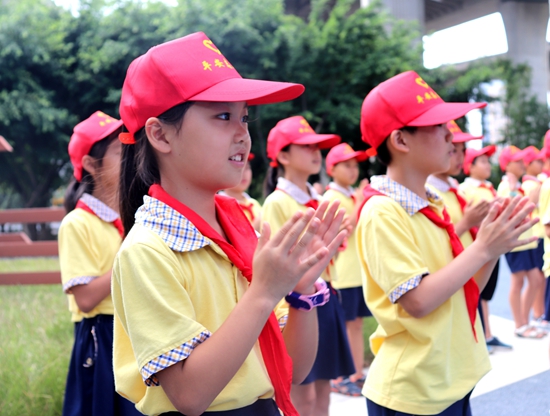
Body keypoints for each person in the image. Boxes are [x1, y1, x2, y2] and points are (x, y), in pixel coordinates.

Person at [111, 32, 347, 416]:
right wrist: (265, 292)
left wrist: (301, 293)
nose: (243, 134)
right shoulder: (146, 251)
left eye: (244, 118)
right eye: (222, 116)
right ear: (160, 134)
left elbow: (294, 370)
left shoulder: (241, 232)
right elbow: (189, 396)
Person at [357, 70, 537, 415]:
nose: (451, 138)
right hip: (414, 390)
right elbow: (419, 301)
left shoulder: (429, 204)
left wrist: (494, 247)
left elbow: (465, 289)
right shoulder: (383, 211)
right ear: (401, 140)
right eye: (438, 127)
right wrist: (482, 247)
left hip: (446, 379)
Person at [262, 116, 355, 416]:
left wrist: (336, 245)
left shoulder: (319, 200)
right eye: (306, 147)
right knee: (302, 399)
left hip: (325, 298)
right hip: (297, 305)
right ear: (283, 156)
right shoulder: (278, 202)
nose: (316, 153)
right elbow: (281, 267)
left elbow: (327, 262)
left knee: (324, 394)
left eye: (318, 147)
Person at [59, 111, 140, 416]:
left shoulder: (134, 216)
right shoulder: (77, 224)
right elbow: (86, 297)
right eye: (121, 152)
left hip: (136, 328)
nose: (131, 161)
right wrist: (132, 254)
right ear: (92, 165)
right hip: (102, 335)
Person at [322, 143, 371, 396]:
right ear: (332, 169)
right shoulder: (332, 197)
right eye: (347, 165)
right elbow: (344, 229)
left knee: (357, 324)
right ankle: (340, 377)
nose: (353, 170)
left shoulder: (351, 195)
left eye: (355, 165)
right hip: (343, 274)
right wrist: (362, 199)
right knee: (344, 325)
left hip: (358, 272)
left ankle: (356, 373)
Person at [457, 143, 511, 350]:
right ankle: (477, 337)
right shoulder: (464, 189)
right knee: (474, 293)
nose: (488, 165)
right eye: (482, 161)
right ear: (469, 166)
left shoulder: (488, 187)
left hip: (491, 247)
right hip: (475, 249)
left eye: (488, 161)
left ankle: (487, 334)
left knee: (485, 294)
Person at [498, 146, 546, 338]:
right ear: (507, 165)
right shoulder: (505, 185)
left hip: (525, 240)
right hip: (514, 240)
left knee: (535, 279)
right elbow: (509, 211)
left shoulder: (516, 184)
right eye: (517, 162)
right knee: (517, 282)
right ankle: (520, 325)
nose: (521, 164)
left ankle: (525, 321)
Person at [220, 153, 262, 231]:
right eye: (238, 168)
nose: (243, 173)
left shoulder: (254, 204)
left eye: (247, 168)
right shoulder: (219, 207)